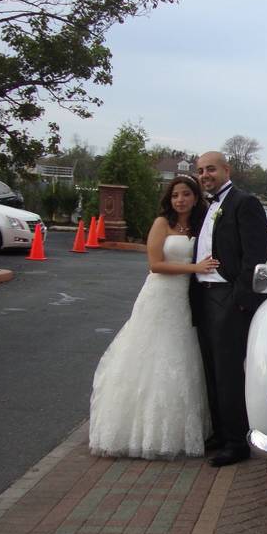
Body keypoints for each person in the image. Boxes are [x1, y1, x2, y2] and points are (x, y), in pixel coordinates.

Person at [89, 175, 219, 459]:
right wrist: (195, 268)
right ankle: (139, 432)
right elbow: (156, 264)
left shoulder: (200, 225)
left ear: (195, 197)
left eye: (186, 194)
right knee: (149, 354)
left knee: (180, 357)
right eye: (175, 195)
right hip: (160, 295)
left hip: (185, 300)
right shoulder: (162, 223)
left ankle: (176, 429)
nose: (180, 200)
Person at [190, 151, 267, 467]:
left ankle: (237, 441)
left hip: (228, 297)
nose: (205, 174)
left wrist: (239, 299)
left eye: (210, 169)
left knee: (229, 374)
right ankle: (222, 433)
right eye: (200, 170)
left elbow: (256, 254)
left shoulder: (244, 202)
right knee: (210, 368)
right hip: (204, 296)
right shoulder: (206, 206)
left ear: (226, 169)